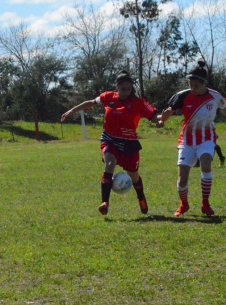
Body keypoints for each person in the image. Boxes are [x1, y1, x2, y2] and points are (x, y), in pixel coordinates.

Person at [61, 71, 163, 216]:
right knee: (109, 163)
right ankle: (105, 203)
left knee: (134, 176)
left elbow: (153, 116)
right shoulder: (108, 97)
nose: (126, 92)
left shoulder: (138, 103)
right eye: (123, 89)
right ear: (117, 87)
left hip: (129, 144)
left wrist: (159, 122)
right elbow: (91, 102)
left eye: (129, 89)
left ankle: (141, 197)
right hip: (110, 139)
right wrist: (72, 110)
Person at [157, 60, 226, 217]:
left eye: (196, 86)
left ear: (204, 83)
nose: (192, 89)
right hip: (187, 139)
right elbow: (165, 116)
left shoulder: (215, 96)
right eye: (190, 85)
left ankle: (205, 203)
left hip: (207, 138)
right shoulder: (182, 96)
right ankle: (184, 204)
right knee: (182, 178)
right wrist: (162, 119)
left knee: (206, 164)